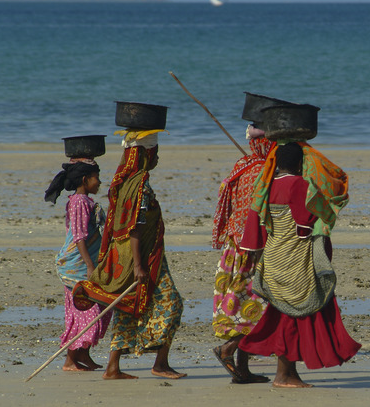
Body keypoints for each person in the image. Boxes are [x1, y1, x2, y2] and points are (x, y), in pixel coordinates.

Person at [238, 142, 360, 388]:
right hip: (296, 259)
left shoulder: (266, 186)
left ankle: (282, 371)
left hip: (273, 257)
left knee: (282, 313)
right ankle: (284, 375)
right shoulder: (300, 186)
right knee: (293, 314)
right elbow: (305, 224)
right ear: (301, 164)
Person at [73, 132, 186, 379]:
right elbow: (134, 226)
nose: (156, 159)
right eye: (154, 153)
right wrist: (139, 265)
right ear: (146, 155)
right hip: (142, 259)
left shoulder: (123, 182)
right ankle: (160, 363)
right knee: (173, 302)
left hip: (127, 259)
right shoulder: (139, 185)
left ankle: (113, 367)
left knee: (127, 307)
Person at [211, 125, 274, 384]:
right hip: (251, 248)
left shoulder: (244, 164)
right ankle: (228, 349)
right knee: (259, 304)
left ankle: (243, 369)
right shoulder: (262, 171)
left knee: (244, 306)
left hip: (235, 247)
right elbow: (261, 214)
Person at [45, 158, 111, 371]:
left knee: (95, 308)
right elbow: (80, 237)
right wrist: (90, 266)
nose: (100, 182)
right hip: (77, 266)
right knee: (85, 310)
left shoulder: (83, 201)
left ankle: (83, 354)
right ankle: (70, 360)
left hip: (81, 263)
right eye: (96, 178)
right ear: (85, 179)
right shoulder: (80, 202)